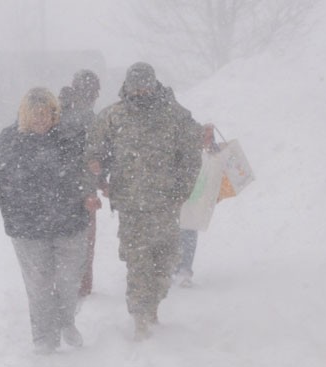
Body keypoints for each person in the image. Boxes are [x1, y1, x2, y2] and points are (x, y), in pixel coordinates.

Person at [0, 87, 101, 354]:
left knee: (68, 280)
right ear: (24, 116)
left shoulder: (71, 136)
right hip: (27, 225)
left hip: (69, 220)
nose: (40, 120)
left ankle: (66, 323)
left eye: (45, 114)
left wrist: (89, 191)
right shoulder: (9, 141)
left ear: (55, 113)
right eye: (33, 115)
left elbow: (90, 166)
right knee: (39, 284)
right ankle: (43, 337)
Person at [84, 62, 204, 341]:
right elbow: (93, 150)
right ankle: (140, 315)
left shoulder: (175, 115)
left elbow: (190, 156)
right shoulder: (113, 116)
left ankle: (153, 304)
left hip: (166, 204)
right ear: (127, 86)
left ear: (154, 84)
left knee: (165, 262)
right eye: (135, 85)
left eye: (145, 84)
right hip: (131, 204)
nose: (140, 90)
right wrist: (97, 171)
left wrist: (181, 191)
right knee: (138, 262)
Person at [57, 70, 105, 298]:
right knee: (85, 237)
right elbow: (93, 155)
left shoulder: (57, 110)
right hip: (83, 187)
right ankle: (82, 285)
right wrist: (98, 180)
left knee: (60, 237)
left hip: (56, 187)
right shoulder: (87, 116)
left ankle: (64, 282)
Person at [176, 123, 220, 288]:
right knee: (179, 232)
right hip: (183, 197)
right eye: (205, 136)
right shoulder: (188, 152)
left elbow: (215, 176)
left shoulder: (214, 155)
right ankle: (175, 269)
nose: (208, 140)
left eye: (210, 137)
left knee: (189, 233)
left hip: (196, 200)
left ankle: (184, 270)